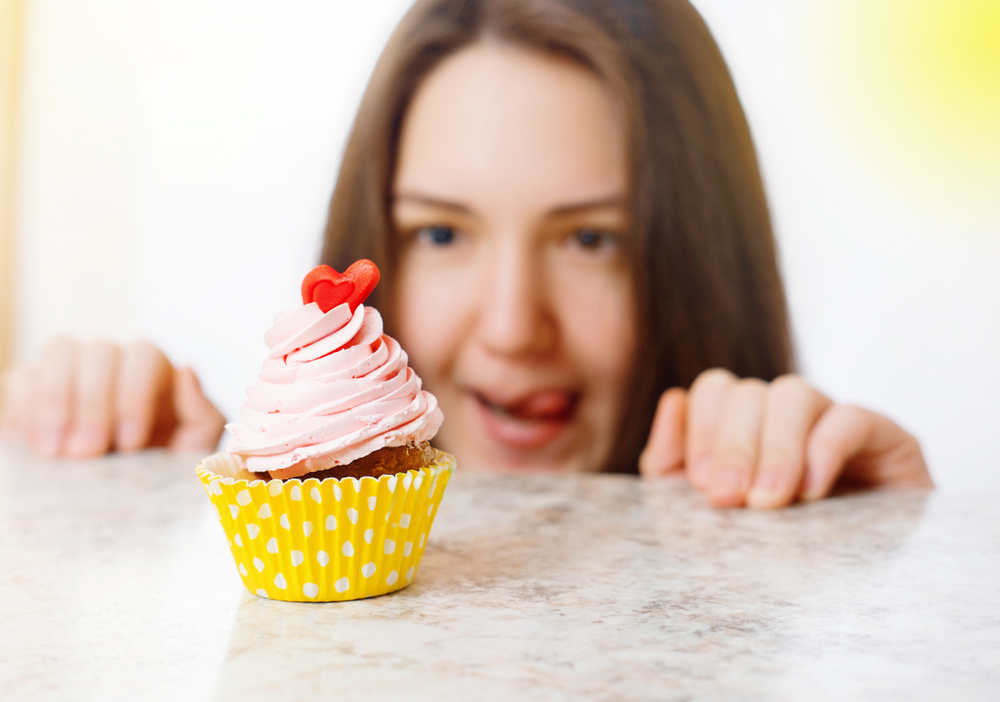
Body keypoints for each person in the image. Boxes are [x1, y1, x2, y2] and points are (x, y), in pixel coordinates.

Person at [0, 0, 931, 508]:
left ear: (704, 267)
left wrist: (879, 554)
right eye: (442, 234)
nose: (512, 327)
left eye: (590, 240)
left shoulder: (809, 505)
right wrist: (114, 491)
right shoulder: (212, 488)